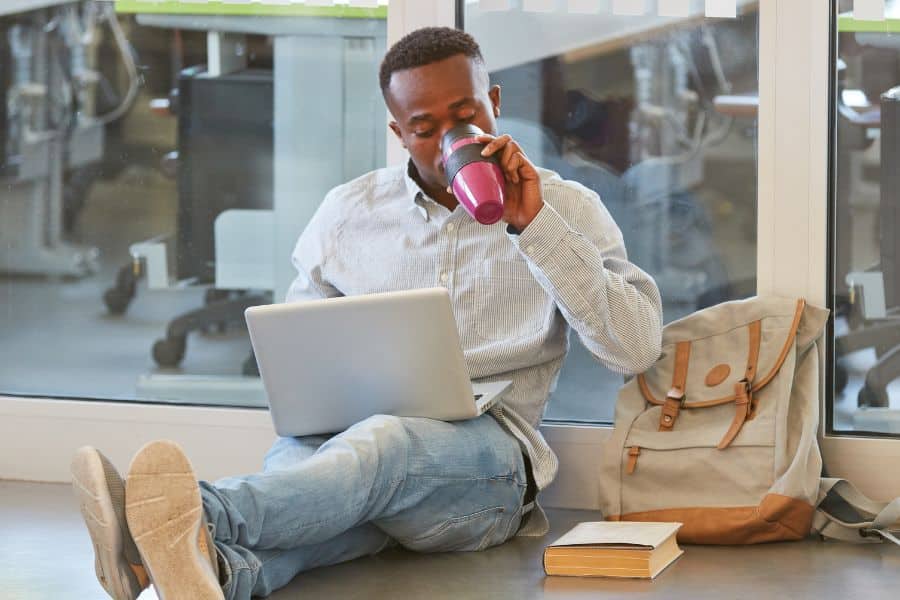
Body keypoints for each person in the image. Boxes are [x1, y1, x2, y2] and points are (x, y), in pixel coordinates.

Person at [70, 27, 663, 600]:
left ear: (495, 103)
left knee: (383, 445)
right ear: (399, 133)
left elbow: (634, 350)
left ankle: (190, 515)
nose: (447, 140)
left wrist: (533, 227)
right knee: (333, 488)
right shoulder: (348, 212)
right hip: (350, 449)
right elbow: (298, 355)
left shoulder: (562, 206)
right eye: (424, 129)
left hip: (488, 469)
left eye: (466, 116)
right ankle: (210, 571)